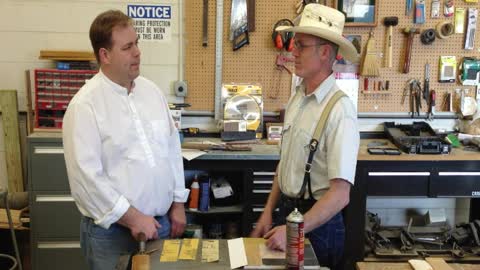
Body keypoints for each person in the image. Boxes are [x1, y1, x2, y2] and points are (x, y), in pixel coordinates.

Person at [62, 10, 189, 269]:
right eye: (128, 47)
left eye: (137, 43)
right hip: (111, 235)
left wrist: (178, 203)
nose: (138, 52)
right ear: (104, 55)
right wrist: (132, 218)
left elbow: (171, 150)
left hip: (160, 225)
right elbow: (87, 180)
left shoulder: (152, 93)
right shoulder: (85, 106)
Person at [250, 4, 360, 269]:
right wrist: (267, 212)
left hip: (318, 227)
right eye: (294, 44)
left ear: (324, 52)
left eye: (300, 45)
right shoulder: (298, 98)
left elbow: (340, 195)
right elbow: (286, 164)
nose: (292, 51)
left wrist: (295, 231)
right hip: (288, 216)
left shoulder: (340, 110)